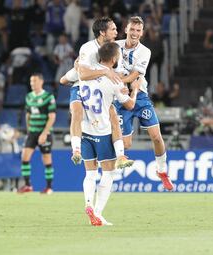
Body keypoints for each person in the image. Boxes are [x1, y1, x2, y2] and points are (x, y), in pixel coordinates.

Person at [80, 42, 140, 226]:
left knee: (90, 174)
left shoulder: (86, 73)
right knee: (110, 172)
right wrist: (135, 88)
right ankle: (97, 212)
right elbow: (129, 105)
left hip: (85, 130)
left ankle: (88, 203)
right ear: (114, 59)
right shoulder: (114, 80)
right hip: (103, 132)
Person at [63, 17, 133, 170]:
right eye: (113, 29)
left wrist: (123, 85)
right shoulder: (87, 48)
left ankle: (120, 155)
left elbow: (118, 72)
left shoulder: (115, 49)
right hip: (82, 86)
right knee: (77, 111)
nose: (116, 31)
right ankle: (76, 149)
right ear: (102, 32)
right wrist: (106, 72)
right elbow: (83, 75)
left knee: (113, 117)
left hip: (103, 89)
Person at [115, 16, 174, 191]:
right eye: (132, 29)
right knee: (126, 145)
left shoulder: (144, 51)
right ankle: (111, 160)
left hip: (140, 97)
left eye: (138, 31)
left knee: (156, 136)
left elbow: (135, 76)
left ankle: (162, 171)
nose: (134, 33)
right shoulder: (114, 46)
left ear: (142, 33)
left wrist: (122, 81)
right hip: (120, 99)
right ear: (126, 29)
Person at [18, 73, 56, 194]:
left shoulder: (48, 97)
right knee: (24, 157)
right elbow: (28, 114)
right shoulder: (29, 97)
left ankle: (49, 187)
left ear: (41, 82)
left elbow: (52, 117)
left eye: (34, 81)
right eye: (31, 82)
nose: (32, 84)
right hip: (32, 133)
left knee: (46, 158)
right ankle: (28, 185)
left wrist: (44, 133)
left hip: (44, 133)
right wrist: (29, 130)